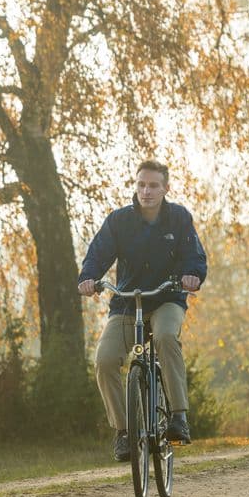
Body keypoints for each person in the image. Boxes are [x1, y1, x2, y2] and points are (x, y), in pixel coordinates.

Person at [77, 159, 207, 459]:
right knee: (105, 360)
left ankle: (178, 417)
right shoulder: (119, 221)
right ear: (135, 186)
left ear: (165, 188)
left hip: (167, 299)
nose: (146, 191)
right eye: (141, 185)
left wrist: (192, 276)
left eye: (153, 185)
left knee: (165, 338)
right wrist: (87, 278)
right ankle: (123, 432)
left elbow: (194, 256)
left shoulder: (179, 218)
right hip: (127, 301)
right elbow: (97, 255)